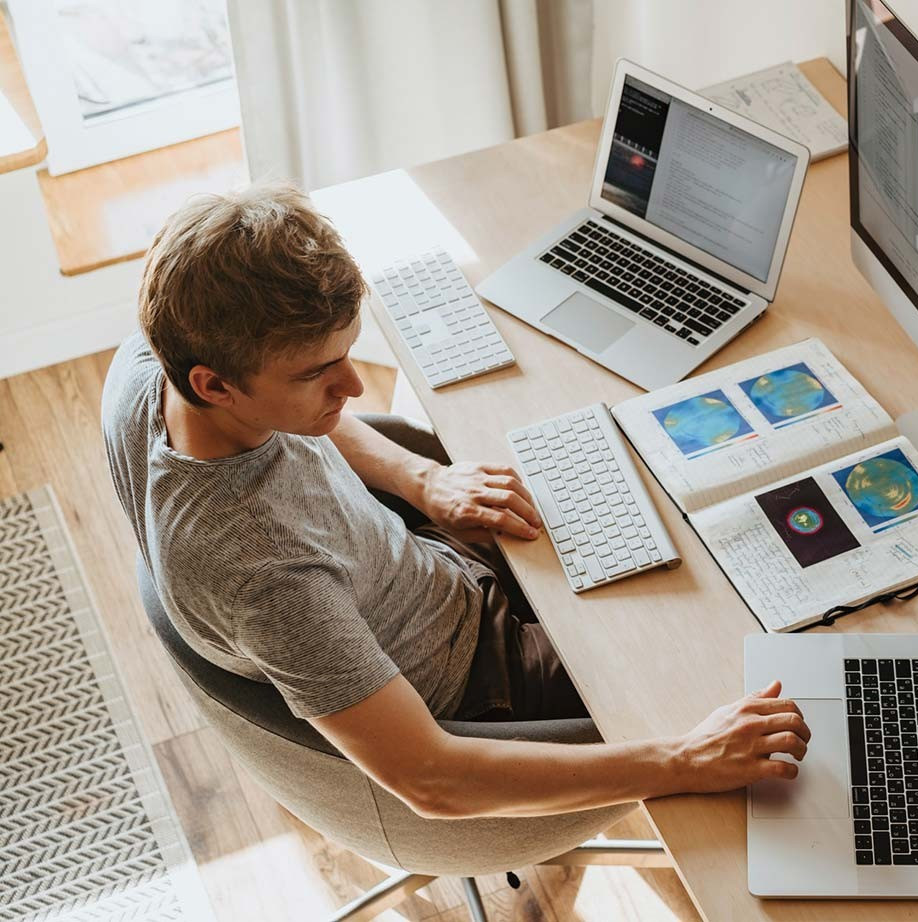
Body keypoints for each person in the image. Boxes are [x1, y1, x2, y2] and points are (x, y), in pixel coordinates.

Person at [102, 181, 810, 820]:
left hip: (426, 569)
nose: (352, 388)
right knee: (744, 658)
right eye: (319, 373)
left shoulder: (155, 362)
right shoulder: (262, 576)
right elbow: (432, 780)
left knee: (667, 506)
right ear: (215, 385)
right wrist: (682, 762)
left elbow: (313, 420)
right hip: (481, 686)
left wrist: (422, 481)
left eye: (349, 353)